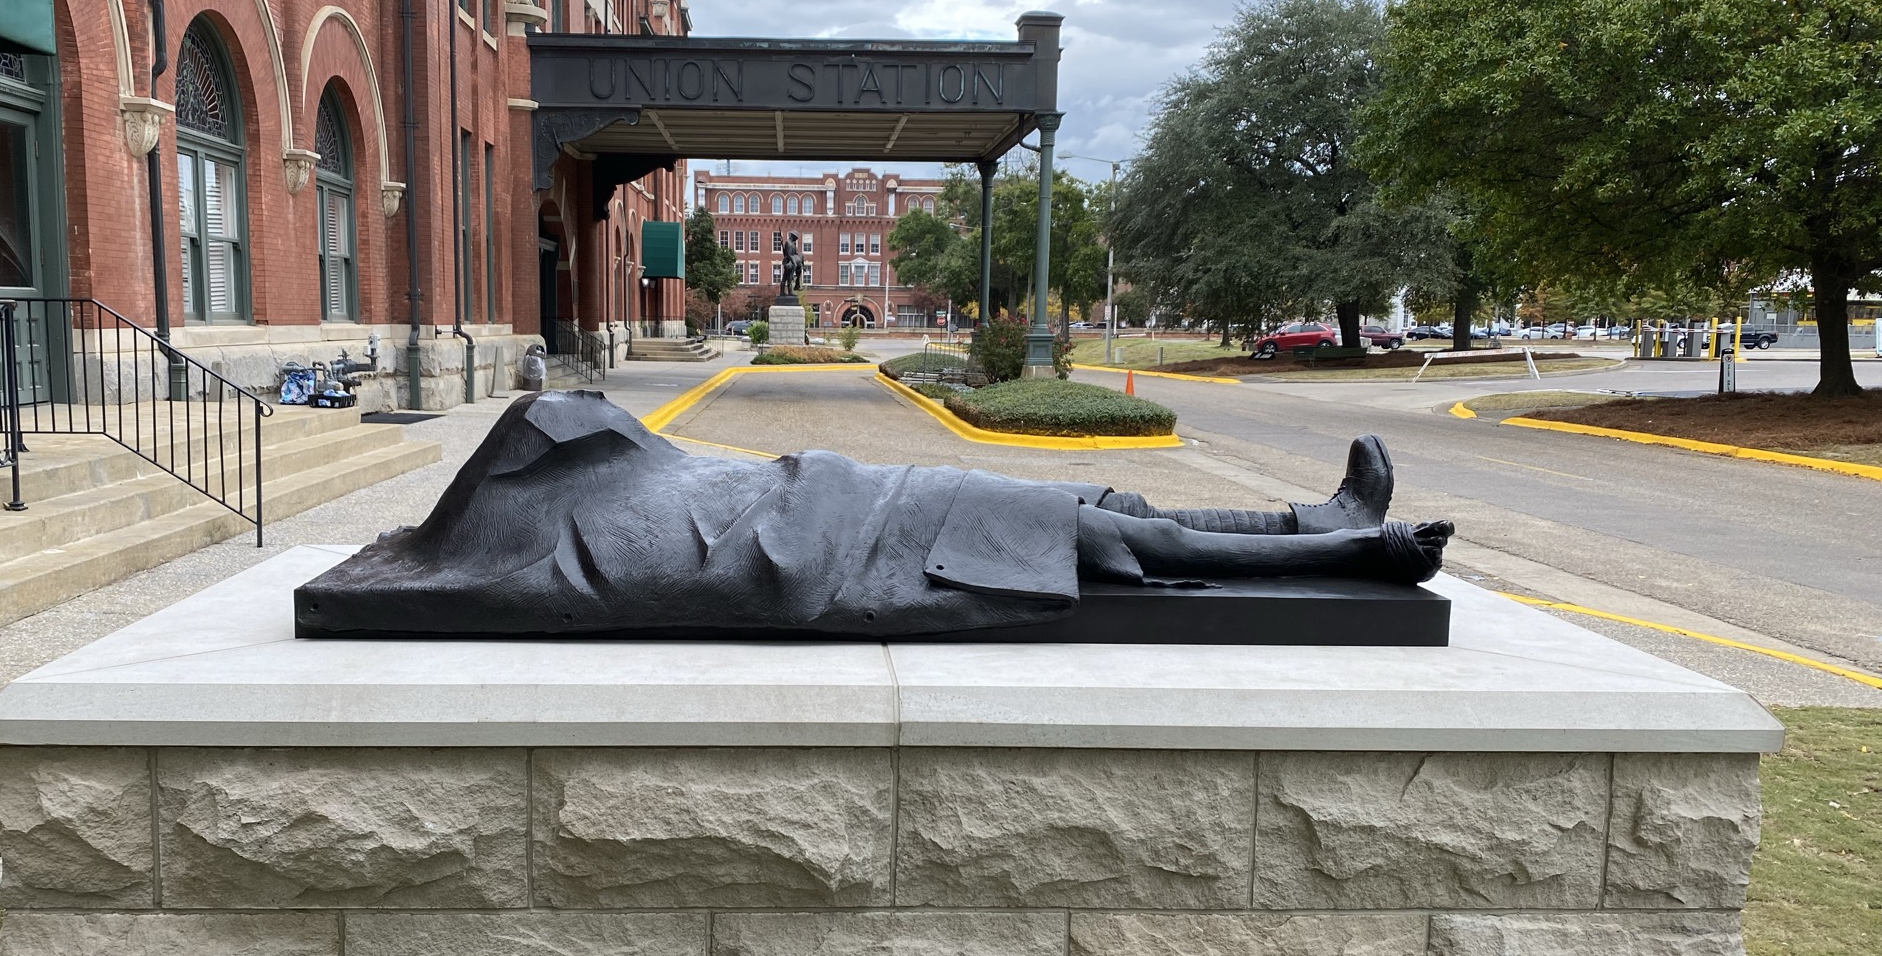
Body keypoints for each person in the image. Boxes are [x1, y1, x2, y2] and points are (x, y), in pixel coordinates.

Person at [296, 391, 1449, 641]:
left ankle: (1314, 520)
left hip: (864, 506)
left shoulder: (619, 489)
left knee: (1105, 508)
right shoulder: (565, 545)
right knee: (1105, 539)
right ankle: (1356, 546)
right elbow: (748, 567)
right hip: (873, 536)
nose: (598, 418)